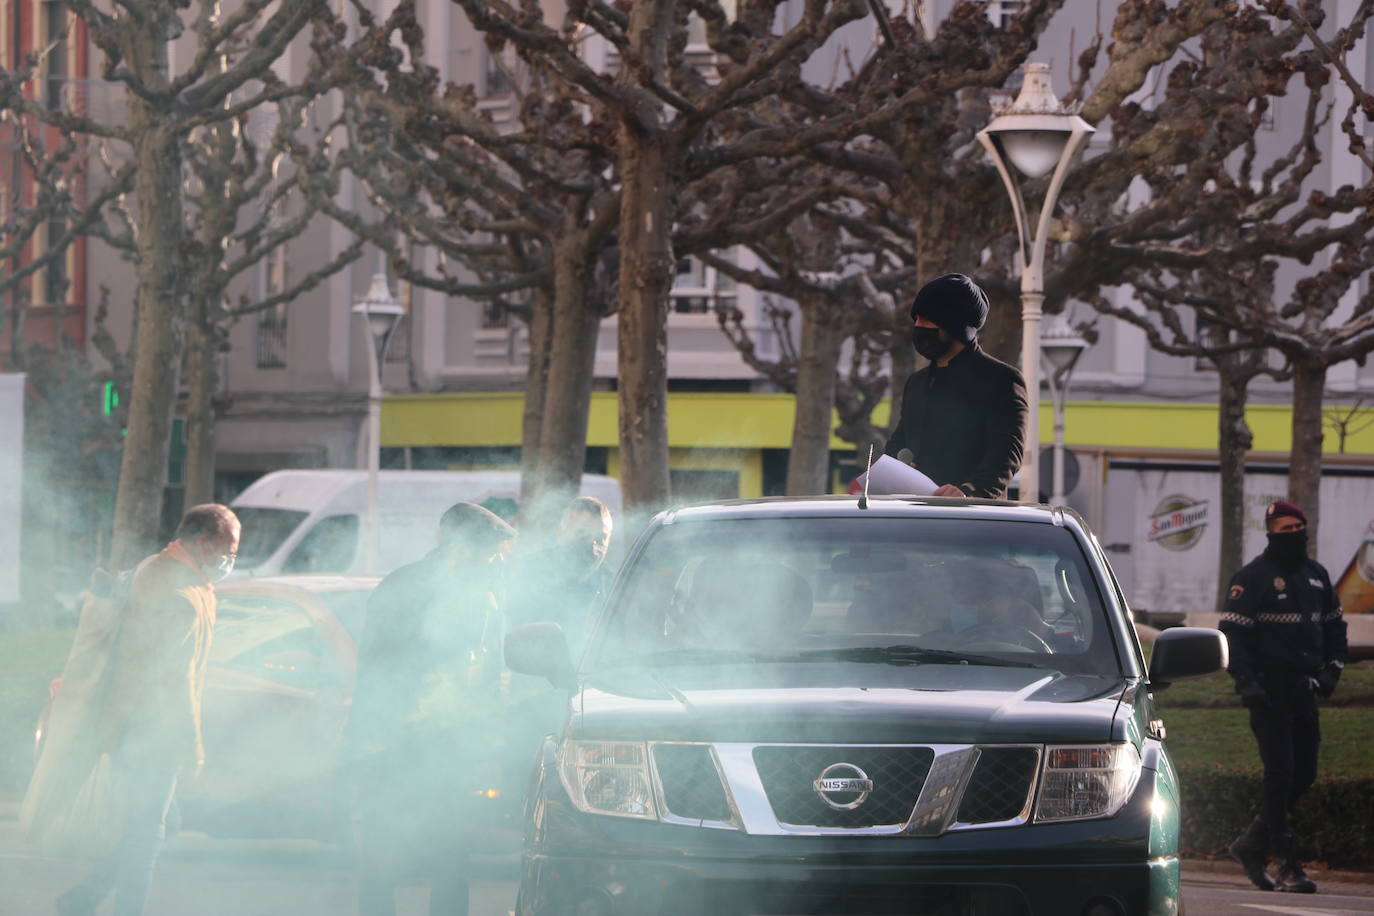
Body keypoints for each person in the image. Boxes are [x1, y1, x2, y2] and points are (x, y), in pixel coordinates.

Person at [42, 504, 241, 916]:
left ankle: (81, 900)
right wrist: (193, 746)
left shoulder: (176, 576)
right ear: (203, 542)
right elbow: (174, 677)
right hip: (149, 730)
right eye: (229, 549)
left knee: (160, 827)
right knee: (148, 834)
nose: (231, 560)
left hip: (142, 726)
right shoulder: (173, 589)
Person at [345, 501, 515, 916]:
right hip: (395, 747)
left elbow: (488, 677)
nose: (495, 565)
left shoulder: (485, 599)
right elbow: (375, 673)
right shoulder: (401, 588)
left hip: (451, 751)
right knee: (386, 855)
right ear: (459, 548)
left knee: (452, 857)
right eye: (490, 554)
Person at [1219, 500, 1347, 894]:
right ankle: (1288, 864)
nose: (1292, 535)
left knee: (1304, 772)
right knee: (1281, 775)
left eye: (1297, 528)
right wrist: (1248, 683)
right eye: (1283, 528)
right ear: (1270, 533)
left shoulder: (1317, 576)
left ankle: (1249, 845)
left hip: (1305, 691)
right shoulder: (1252, 578)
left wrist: (1332, 671)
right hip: (1267, 693)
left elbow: (1334, 629)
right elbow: (1232, 637)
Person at [883, 273, 1028, 499]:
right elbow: (899, 444)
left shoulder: (1001, 380)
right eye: (917, 319)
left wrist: (969, 492)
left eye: (928, 320)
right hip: (913, 517)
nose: (919, 327)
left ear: (955, 326)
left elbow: (1006, 454)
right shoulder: (917, 382)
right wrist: (897, 470)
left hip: (971, 521)